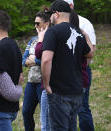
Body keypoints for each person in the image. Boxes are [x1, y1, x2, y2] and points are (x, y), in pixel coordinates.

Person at [41, 0, 94, 130]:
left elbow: (46, 60)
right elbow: (90, 53)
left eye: (50, 14)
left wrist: (46, 84)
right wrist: (85, 34)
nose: (50, 18)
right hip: (76, 91)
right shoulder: (78, 32)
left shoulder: (52, 32)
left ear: (57, 14)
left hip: (59, 92)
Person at [63, 0, 96, 130]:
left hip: (80, 72)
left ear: (71, 6)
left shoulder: (84, 23)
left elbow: (91, 50)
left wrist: (79, 70)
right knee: (66, 110)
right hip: (63, 73)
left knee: (82, 108)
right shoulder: (58, 22)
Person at [22, 7, 50, 131]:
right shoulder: (33, 40)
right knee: (26, 112)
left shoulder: (51, 38)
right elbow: (23, 60)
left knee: (45, 116)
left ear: (46, 23)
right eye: (34, 23)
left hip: (43, 83)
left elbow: (45, 60)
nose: (35, 26)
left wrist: (34, 60)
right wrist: (35, 60)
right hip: (31, 81)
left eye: (37, 23)